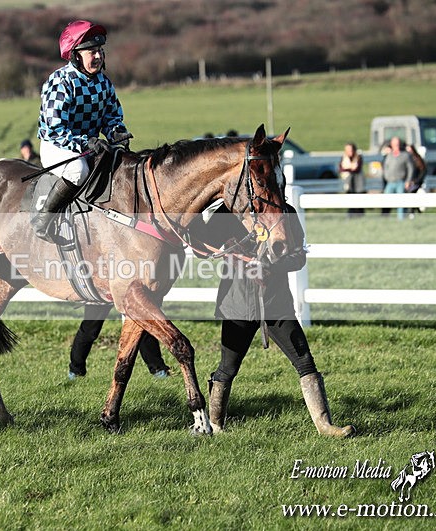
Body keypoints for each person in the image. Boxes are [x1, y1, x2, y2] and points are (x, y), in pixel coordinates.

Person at [191, 206, 354, 437]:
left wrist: (270, 266)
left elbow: (298, 257)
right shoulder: (227, 211)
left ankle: (325, 426)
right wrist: (194, 215)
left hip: (277, 306)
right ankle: (216, 426)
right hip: (238, 306)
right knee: (227, 369)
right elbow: (201, 248)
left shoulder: (285, 211)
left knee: (305, 362)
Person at [33, 19, 130, 243]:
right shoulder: (61, 82)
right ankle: (42, 221)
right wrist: (86, 142)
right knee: (78, 171)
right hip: (57, 146)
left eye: (99, 51)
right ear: (76, 55)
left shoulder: (104, 82)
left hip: (91, 146)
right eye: (91, 52)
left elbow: (112, 115)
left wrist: (116, 131)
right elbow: (56, 128)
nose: (97, 56)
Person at [68, 304, 170, 380]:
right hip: (109, 285)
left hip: (112, 285)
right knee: (89, 328)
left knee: (141, 326)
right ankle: (158, 370)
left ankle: (75, 371)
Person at [381, 137, 414, 220]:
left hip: (401, 182)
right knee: (385, 201)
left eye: (397, 144)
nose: (396, 146)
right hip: (390, 182)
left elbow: (410, 168)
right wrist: (386, 177)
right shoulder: (389, 155)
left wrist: (408, 181)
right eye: (394, 144)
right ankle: (385, 218)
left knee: (401, 201)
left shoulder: (405, 155)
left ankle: (401, 218)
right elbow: (385, 167)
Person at [338, 142, 365, 217]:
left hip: (358, 182)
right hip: (348, 182)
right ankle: (350, 215)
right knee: (350, 199)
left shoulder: (358, 157)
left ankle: (360, 216)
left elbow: (357, 169)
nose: (349, 152)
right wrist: (350, 168)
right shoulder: (344, 158)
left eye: (350, 150)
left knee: (359, 199)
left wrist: (348, 168)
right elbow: (341, 169)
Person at [404, 144, 427, 218]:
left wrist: (416, 181)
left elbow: (423, 171)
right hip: (408, 182)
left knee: (412, 194)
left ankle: (412, 212)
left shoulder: (417, 159)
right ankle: (414, 211)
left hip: (416, 183)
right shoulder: (406, 159)